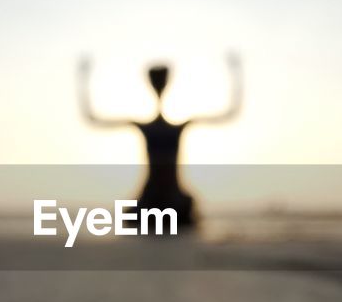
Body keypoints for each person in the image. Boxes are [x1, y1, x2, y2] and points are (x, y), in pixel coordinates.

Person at [78, 52, 242, 230]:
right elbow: (92, 118)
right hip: (154, 198)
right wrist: (82, 79)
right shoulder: (157, 127)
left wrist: (236, 73)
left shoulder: (169, 127)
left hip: (172, 199)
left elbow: (229, 113)